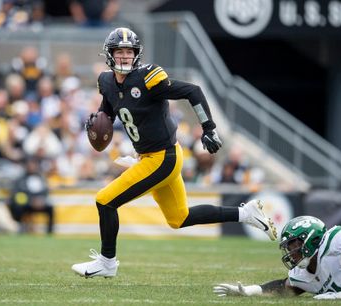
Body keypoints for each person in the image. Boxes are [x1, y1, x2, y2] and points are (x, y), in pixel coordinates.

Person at [71, 27, 278, 278]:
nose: (125, 56)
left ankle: (107, 263)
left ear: (136, 54)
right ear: (110, 54)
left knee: (105, 200)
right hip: (153, 156)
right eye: (119, 51)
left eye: (129, 51)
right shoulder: (106, 81)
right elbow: (110, 110)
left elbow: (193, 91)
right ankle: (245, 213)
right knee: (179, 218)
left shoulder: (148, 78)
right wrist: (98, 123)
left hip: (162, 158)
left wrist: (209, 128)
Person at [213, 215, 341, 300]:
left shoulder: (334, 245)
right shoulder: (304, 274)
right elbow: (284, 287)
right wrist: (250, 291)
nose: (291, 252)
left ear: (311, 239)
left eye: (294, 244)